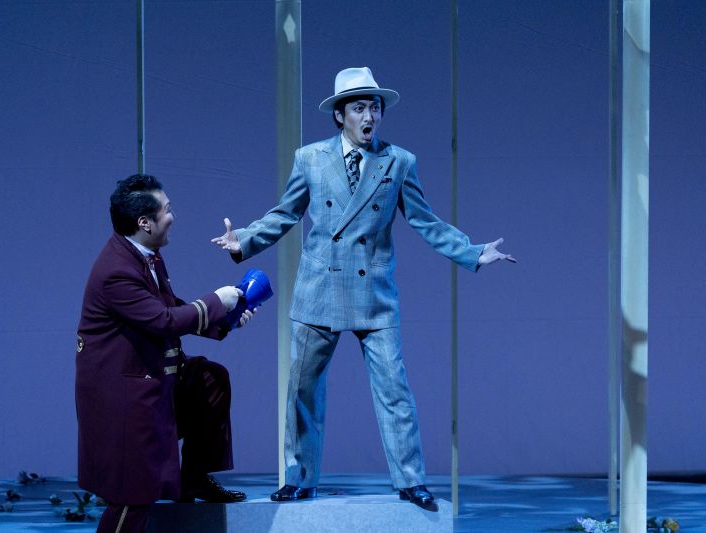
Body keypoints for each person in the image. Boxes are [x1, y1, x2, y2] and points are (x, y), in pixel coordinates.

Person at [212, 67, 515, 508]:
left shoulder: (399, 161)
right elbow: (285, 213)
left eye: (375, 107)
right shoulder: (310, 158)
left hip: (373, 293)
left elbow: (424, 220)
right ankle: (300, 478)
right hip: (319, 289)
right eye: (359, 107)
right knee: (302, 392)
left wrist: (471, 251)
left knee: (395, 391)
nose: (369, 115)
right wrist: (244, 239)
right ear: (340, 115)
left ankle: (410, 481)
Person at [76, 174, 255, 533]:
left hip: (151, 374)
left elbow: (168, 307)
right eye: (168, 210)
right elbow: (162, 320)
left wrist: (225, 319)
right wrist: (216, 300)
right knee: (133, 495)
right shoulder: (117, 271)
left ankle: (194, 479)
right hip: (123, 394)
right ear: (145, 223)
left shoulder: (146, 256)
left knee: (209, 379)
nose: (173, 216)